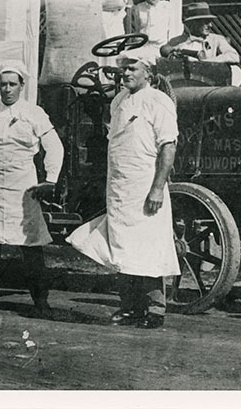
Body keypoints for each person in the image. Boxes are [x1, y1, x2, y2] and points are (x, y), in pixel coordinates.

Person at [67, 53, 179, 329]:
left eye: (132, 68)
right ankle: (129, 308)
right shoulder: (118, 102)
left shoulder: (159, 101)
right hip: (120, 188)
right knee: (122, 247)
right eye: (123, 69)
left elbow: (168, 146)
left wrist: (156, 188)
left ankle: (155, 309)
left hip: (145, 186)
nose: (125, 73)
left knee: (148, 247)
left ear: (148, 73)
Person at [0, 62, 63, 318]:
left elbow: (54, 146)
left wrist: (50, 180)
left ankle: (40, 299)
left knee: (30, 241)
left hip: (23, 184)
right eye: (3, 84)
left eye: (12, 84)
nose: (7, 89)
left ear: (21, 86)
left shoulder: (34, 112)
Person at [124, 0, 174, 64]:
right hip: (142, 49)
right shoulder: (137, 9)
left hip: (161, 50)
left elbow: (173, 30)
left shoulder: (167, 7)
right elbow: (131, 33)